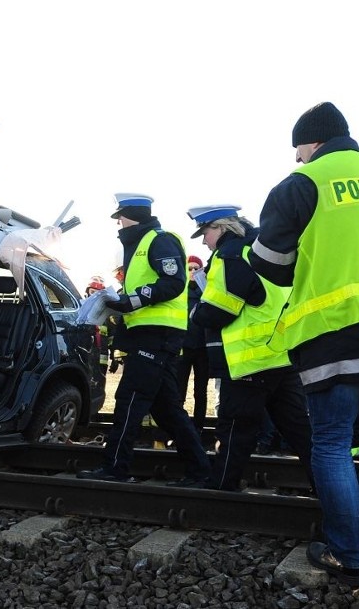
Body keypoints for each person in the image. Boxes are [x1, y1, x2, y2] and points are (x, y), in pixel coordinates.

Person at [249, 102, 359, 586]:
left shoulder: (303, 183)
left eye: (299, 149)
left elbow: (270, 264)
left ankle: (349, 555)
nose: (298, 158)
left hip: (334, 333)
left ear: (312, 142)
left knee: (332, 442)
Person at [77, 193, 210, 486]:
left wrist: (131, 301)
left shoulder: (159, 241)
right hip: (149, 334)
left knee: (130, 398)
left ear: (133, 215)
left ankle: (115, 467)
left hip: (157, 333)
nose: (119, 224)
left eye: (120, 218)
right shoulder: (140, 246)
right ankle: (201, 470)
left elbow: (173, 283)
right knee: (165, 408)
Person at [187, 205, 314, 494]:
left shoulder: (230, 255)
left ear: (221, 227)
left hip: (249, 358)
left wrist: (196, 312)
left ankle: (222, 488)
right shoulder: (263, 249)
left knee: (235, 429)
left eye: (205, 232)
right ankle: (329, 490)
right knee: (300, 431)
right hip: (281, 354)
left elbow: (221, 310)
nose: (204, 241)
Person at [176, 254, 210, 435]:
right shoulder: (180, 292)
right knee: (179, 389)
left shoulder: (208, 291)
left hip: (203, 348)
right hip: (184, 347)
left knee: (201, 391)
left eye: (196, 268)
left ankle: (199, 427)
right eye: (189, 268)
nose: (192, 271)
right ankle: (180, 428)